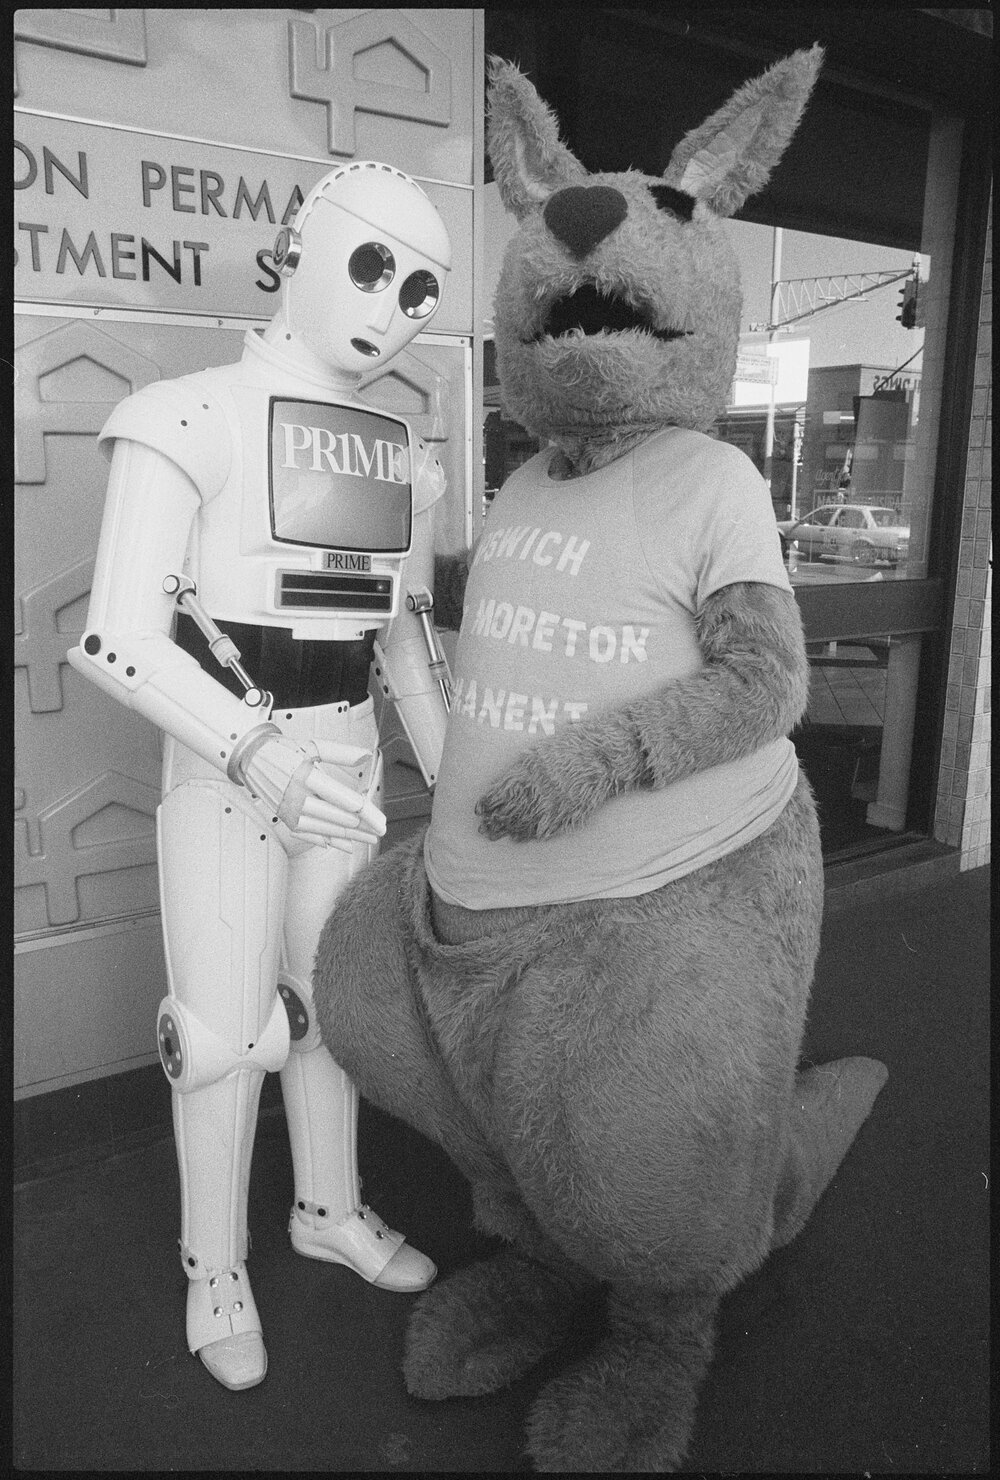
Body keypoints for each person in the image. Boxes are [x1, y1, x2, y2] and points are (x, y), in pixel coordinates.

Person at [68, 161, 453, 1391]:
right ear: (299, 248)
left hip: (345, 761)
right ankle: (212, 1263)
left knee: (332, 1004)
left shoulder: (399, 450)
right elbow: (119, 631)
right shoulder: (189, 417)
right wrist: (253, 750)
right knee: (225, 1034)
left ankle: (326, 1210)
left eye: (423, 287)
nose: (394, 306)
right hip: (233, 763)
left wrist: (455, 783)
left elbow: (400, 639)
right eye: (373, 265)